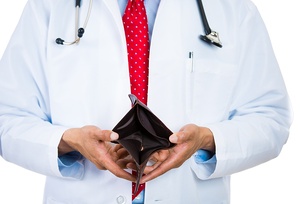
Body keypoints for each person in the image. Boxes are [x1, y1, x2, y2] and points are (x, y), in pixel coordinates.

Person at [0, 0, 292, 203]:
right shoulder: (48, 7)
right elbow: (7, 118)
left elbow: (270, 118)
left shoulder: (232, 9)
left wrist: (206, 139)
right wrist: (68, 141)